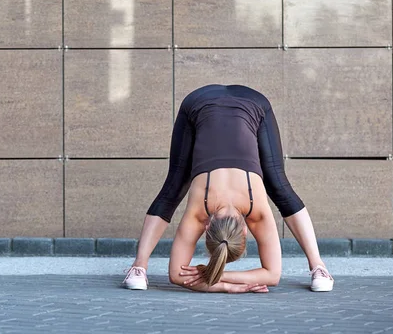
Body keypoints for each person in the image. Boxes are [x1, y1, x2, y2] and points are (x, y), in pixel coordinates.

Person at [122, 84, 334, 293]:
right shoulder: (202, 214)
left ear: (244, 232)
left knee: (278, 187)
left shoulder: (251, 213)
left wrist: (218, 277)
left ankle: (139, 266)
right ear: (207, 229)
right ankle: (318, 266)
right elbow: (271, 275)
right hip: (222, 102)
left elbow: (271, 276)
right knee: (175, 187)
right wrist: (225, 284)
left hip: (218, 101)